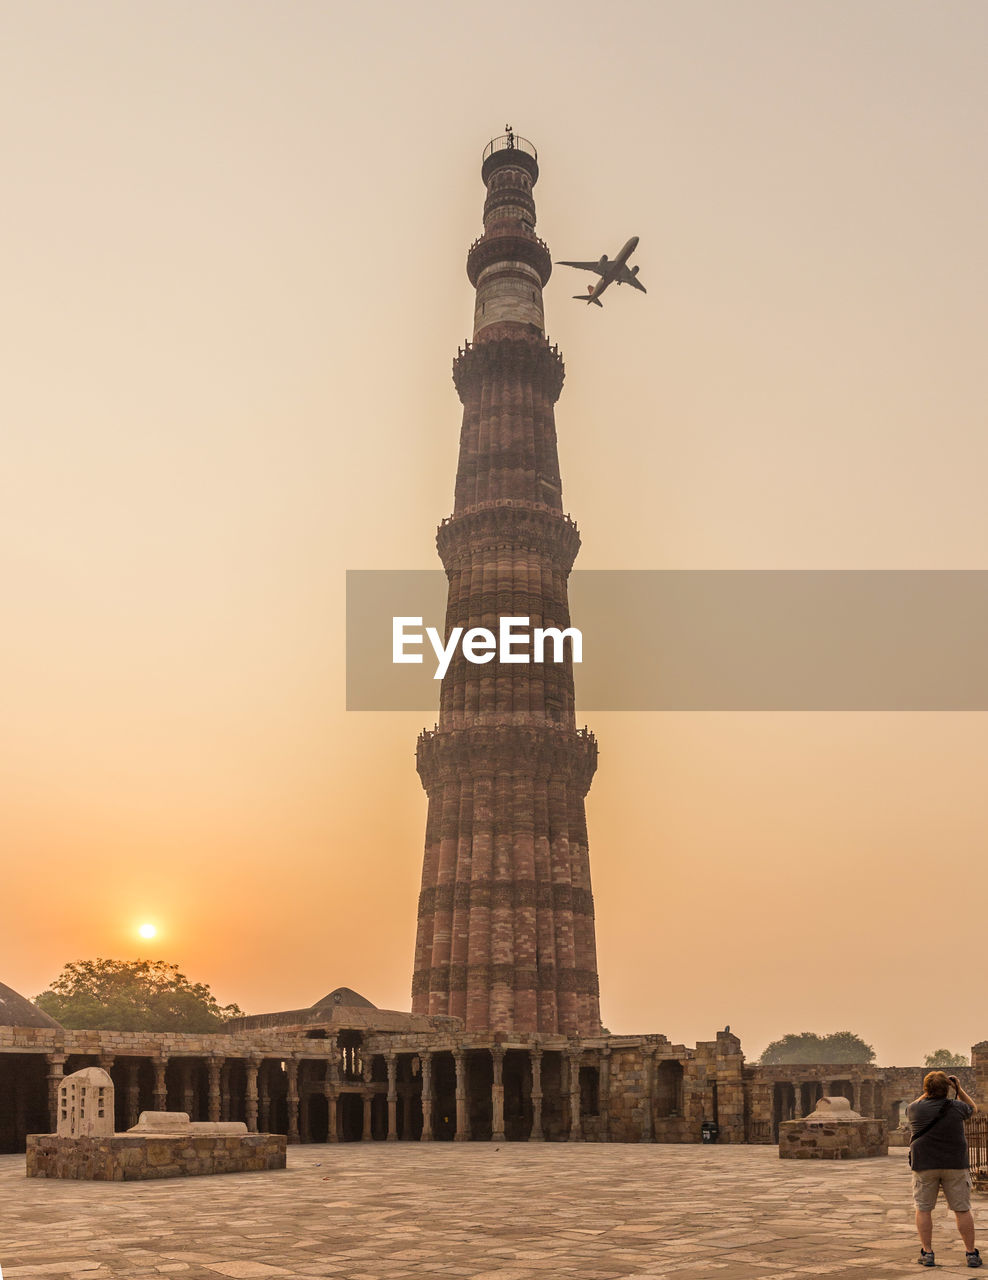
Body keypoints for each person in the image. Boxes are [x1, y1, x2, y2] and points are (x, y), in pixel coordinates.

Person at [908, 1070, 981, 1267]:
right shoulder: (957, 1107)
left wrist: (928, 1091)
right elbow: (973, 1109)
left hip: (924, 1164)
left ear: (926, 1089)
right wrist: (959, 1088)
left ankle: (928, 1252)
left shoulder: (915, 1109)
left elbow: (915, 1103)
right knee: (962, 1210)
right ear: (947, 1089)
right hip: (955, 1164)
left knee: (923, 1209)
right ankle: (971, 1254)